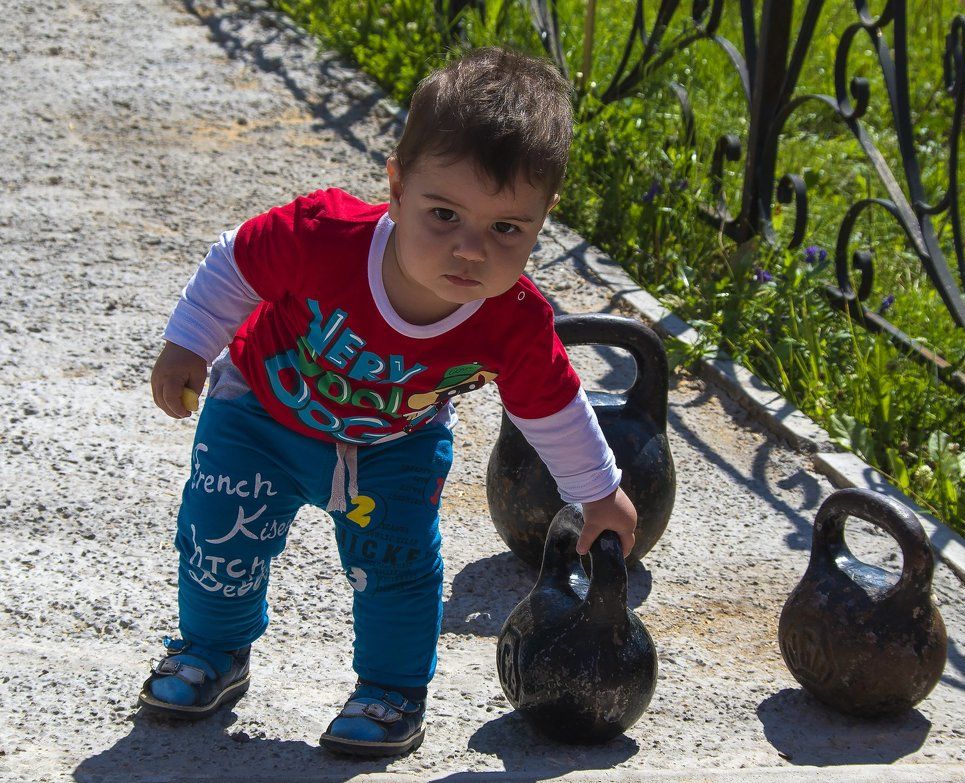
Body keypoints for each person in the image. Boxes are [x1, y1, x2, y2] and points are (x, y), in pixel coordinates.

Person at [139, 46, 638, 757]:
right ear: (397, 188)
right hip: (261, 412)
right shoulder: (324, 238)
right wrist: (190, 342)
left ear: (543, 218)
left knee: (399, 564)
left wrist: (600, 492)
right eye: (444, 214)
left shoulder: (513, 319)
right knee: (221, 534)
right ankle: (212, 650)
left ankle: (391, 690)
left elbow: (550, 404)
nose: (470, 251)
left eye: (507, 229)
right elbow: (238, 261)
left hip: (395, 444)